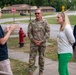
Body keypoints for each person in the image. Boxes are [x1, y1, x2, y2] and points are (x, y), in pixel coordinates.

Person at [27, 8, 50, 75]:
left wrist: (42, 41)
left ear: (41, 14)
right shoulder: (32, 22)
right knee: (32, 58)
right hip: (33, 44)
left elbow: (48, 32)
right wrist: (34, 40)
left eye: (38, 13)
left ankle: (41, 71)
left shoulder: (45, 22)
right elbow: (29, 33)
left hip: (42, 44)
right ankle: (30, 71)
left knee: (41, 58)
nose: (37, 14)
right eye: (35, 13)